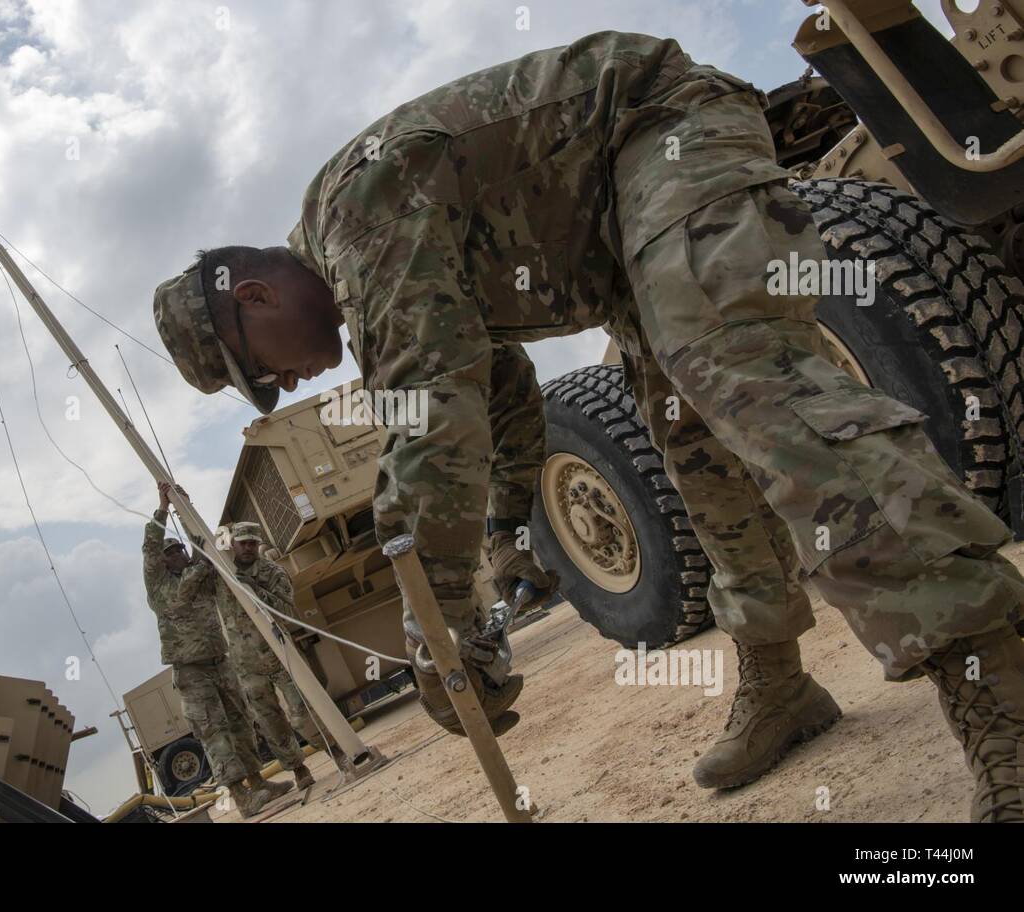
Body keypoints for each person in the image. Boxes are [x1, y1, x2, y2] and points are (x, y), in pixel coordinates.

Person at [152, 33, 1024, 821]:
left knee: (746, 378)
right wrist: (499, 540)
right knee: (692, 447)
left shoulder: (357, 221)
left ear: (257, 296)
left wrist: (435, 618)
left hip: (664, 128)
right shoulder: (371, 258)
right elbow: (498, 396)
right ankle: (779, 679)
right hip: (619, 238)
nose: (293, 380)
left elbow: (430, 409)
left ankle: (994, 692)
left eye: (263, 370)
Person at [143, 482, 292, 817]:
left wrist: (186, 507)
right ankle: (241, 797)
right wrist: (163, 508)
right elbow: (151, 548)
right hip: (191, 670)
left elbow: (204, 548)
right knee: (214, 731)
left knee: (240, 723)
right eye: (169, 554)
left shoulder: (199, 573)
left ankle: (259, 783)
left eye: (178, 549)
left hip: (219, 661)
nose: (176, 555)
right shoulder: (160, 587)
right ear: (161, 562)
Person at [217, 521, 354, 789]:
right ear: (232, 544)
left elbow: (286, 609)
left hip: (279, 655)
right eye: (242, 542)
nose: (247, 548)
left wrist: (253, 589)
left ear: (258, 544)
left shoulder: (272, 572)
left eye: (252, 543)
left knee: (304, 712)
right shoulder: (223, 575)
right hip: (246, 665)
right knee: (270, 723)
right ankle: (299, 771)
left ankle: (338, 753)